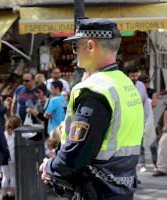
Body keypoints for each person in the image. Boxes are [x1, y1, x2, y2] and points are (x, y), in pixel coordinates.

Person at [39, 18, 144, 200]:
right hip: (122, 185)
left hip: (96, 189)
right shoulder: (125, 84)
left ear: (90, 46)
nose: (74, 52)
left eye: (75, 46)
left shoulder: (95, 90)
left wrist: (50, 166)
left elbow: (77, 153)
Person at [124, 66, 149, 173]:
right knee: (127, 150)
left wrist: (145, 120)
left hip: (138, 122)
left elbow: (145, 103)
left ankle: (137, 169)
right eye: (132, 76)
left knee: (139, 147)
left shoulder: (141, 85)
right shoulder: (122, 85)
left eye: (136, 76)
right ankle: (130, 173)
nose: (135, 78)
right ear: (127, 76)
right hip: (126, 123)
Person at [1, 115, 21, 200]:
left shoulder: (4, 134)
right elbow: (32, 134)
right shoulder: (18, 134)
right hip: (13, 157)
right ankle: (12, 195)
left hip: (4, 157)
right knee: (13, 175)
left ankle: (4, 195)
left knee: (5, 176)